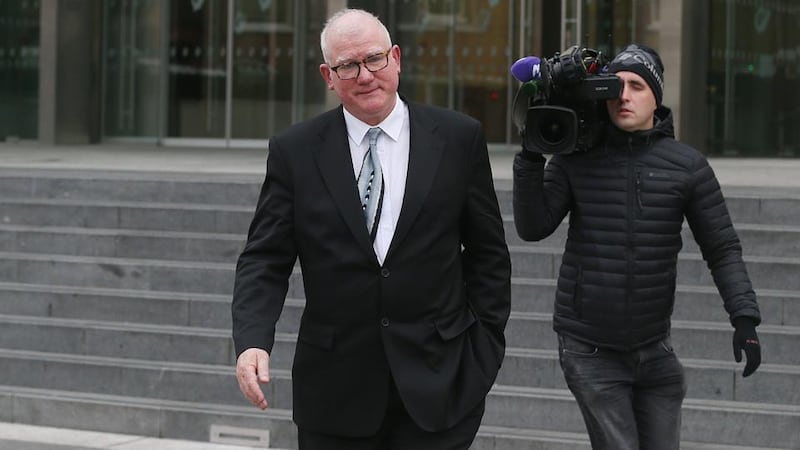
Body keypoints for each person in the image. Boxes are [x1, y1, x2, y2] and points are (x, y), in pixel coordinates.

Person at [232, 8, 511, 450]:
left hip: (440, 386)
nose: (365, 75)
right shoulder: (296, 151)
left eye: (374, 59)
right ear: (328, 75)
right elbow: (265, 257)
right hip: (334, 393)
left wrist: (484, 348)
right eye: (348, 65)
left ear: (396, 58)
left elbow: (488, 253)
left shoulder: (459, 138)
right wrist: (252, 340)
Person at [512, 44, 762, 450]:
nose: (623, 96)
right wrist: (530, 155)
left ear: (656, 97)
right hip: (589, 350)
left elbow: (722, 248)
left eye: (636, 86)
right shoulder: (578, 158)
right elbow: (532, 227)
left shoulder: (688, 166)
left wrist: (745, 319)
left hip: (655, 350)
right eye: (615, 86)